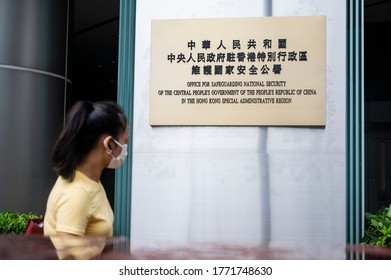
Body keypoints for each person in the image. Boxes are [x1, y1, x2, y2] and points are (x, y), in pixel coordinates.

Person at [43, 100, 129, 259]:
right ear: (109, 144)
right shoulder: (77, 193)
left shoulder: (90, 180)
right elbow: (69, 262)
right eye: (124, 142)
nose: (125, 148)